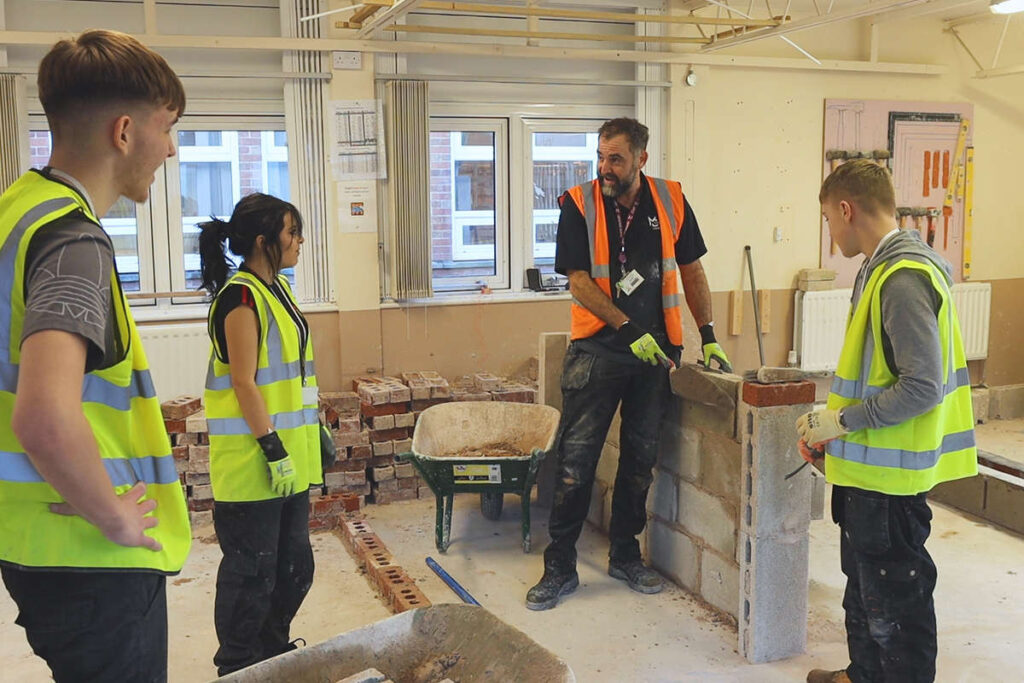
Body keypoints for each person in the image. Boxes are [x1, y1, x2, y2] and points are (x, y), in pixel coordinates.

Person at [0, 30, 191, 681]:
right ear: (124, 131)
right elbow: (44, 418)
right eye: (167, 128)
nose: (170, 147)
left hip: (34, 541)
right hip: (89, 558)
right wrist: (111, 514)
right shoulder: (73, 240)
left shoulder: (16, 213)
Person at [526, 117, 731, 610]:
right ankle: (559, 568)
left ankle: (624, 555)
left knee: (639, 462)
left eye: (615, 158)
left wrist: (708, 336)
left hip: (655, 356)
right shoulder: (578, 204)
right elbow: (578, 281)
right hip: (598, 351)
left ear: (641, 157)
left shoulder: (671, 200)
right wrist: (626, 328)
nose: (604, 168)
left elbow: (693, 269)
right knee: (575, 466)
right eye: (600, 156)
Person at [796, 159, 977, 683]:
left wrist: (845, 422)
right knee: (866, 593)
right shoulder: (880, 267)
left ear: (847, 209)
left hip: (888, 486)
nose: (830, 231)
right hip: (866, 474)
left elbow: (922, 387)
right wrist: (835, 431)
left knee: (896, 608)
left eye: (829, 218)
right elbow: (873, 372)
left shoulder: (902, 278)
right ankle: (862, 675)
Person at [198, 192, 327, 676]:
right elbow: (243, 381)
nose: (299, 241)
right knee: (251, 575)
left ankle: (269, 652)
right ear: (262, 240)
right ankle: (236, 665)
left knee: (295, 570)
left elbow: (291, 375)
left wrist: (313, 432)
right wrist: (273, 449)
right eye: (292, 232)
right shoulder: (241, 297)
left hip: (288, 461)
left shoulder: (278, 289)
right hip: (254, 465)